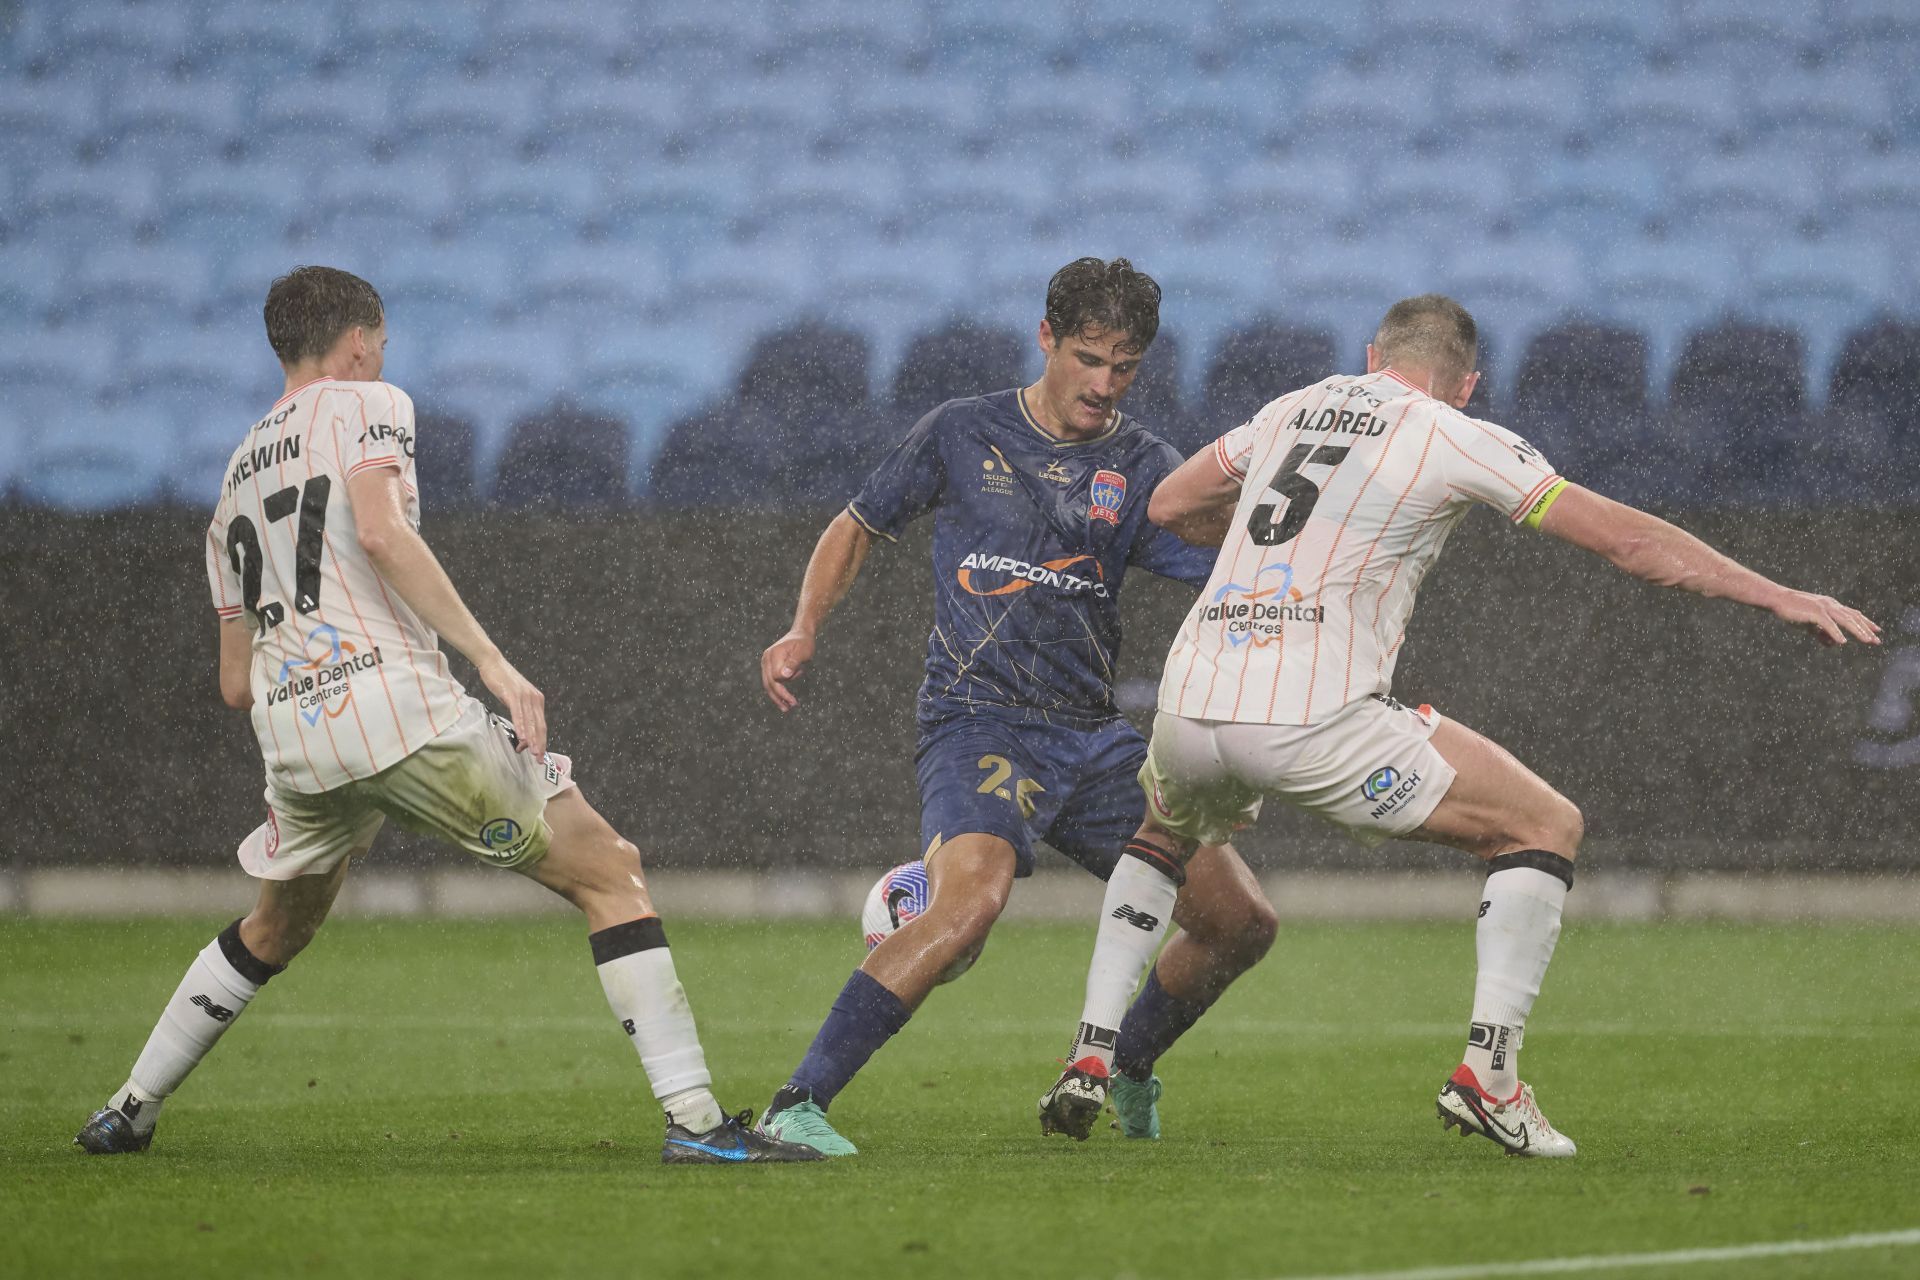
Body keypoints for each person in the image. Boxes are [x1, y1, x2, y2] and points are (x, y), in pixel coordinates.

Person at [1044, 294, 1882, 1157]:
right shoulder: (1451, 430)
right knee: (1542, 825)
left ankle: (1091, 1055)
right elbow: (1626, 542)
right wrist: (1773, 591)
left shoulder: (1295, 404)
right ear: (1469, 384)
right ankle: (1490, 1077)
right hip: (1310, 714)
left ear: (1374, 354)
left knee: (1162, 835)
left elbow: (1171, 503)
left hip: (1189, 701)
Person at [74, 266, 818, 1165]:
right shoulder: (368, 402)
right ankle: (698, 1125)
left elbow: (235, 683)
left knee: (274, 927)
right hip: (395, 705)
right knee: (610, 872)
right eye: (380, 341)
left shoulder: (232, 481)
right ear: (358, 340)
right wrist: (491, 660)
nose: (383, 355)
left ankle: (127, 1110)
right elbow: (383, 531)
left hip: (293, 737)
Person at [754, 258, 1279, 1156]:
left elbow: (1238, 577)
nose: (1105, 386)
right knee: (969, 907)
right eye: (1089, 360)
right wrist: (802, 625)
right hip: (978, 719)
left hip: (1094, 739)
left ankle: (1126, 1062)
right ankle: (791, 1109)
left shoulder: (1144, 467)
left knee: (1239, 924)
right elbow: (857, 524)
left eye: (1126, 369)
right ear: (1046, 339)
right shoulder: (963, 432)